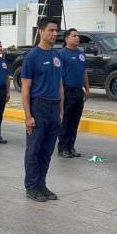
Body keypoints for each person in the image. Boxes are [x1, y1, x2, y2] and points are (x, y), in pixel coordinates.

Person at [21, 18, 63, 202]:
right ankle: (31, 187)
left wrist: (61, 110)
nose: (55, 34)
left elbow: (60, 84)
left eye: (56, 31)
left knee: (47, 150)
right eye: (51, 30)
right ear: (41, 31)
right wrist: (28, 115)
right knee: (34, 150)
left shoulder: (57, 56)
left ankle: (42, 184)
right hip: (38, 106)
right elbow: (25, 88)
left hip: (54, 107)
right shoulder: (32, 56)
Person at [57, 28, 89, 158]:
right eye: (74, 36)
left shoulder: (81, 54)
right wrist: (61, 94)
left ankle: (71, 146)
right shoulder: (61, 54)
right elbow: (58, 76)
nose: (77, 38)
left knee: (75, 120)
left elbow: (84, 72)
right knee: (66, 120)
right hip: (67, 90)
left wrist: (87, 89)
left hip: (78, 91)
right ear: (66, 38)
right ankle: (63, 147)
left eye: (78, 36)